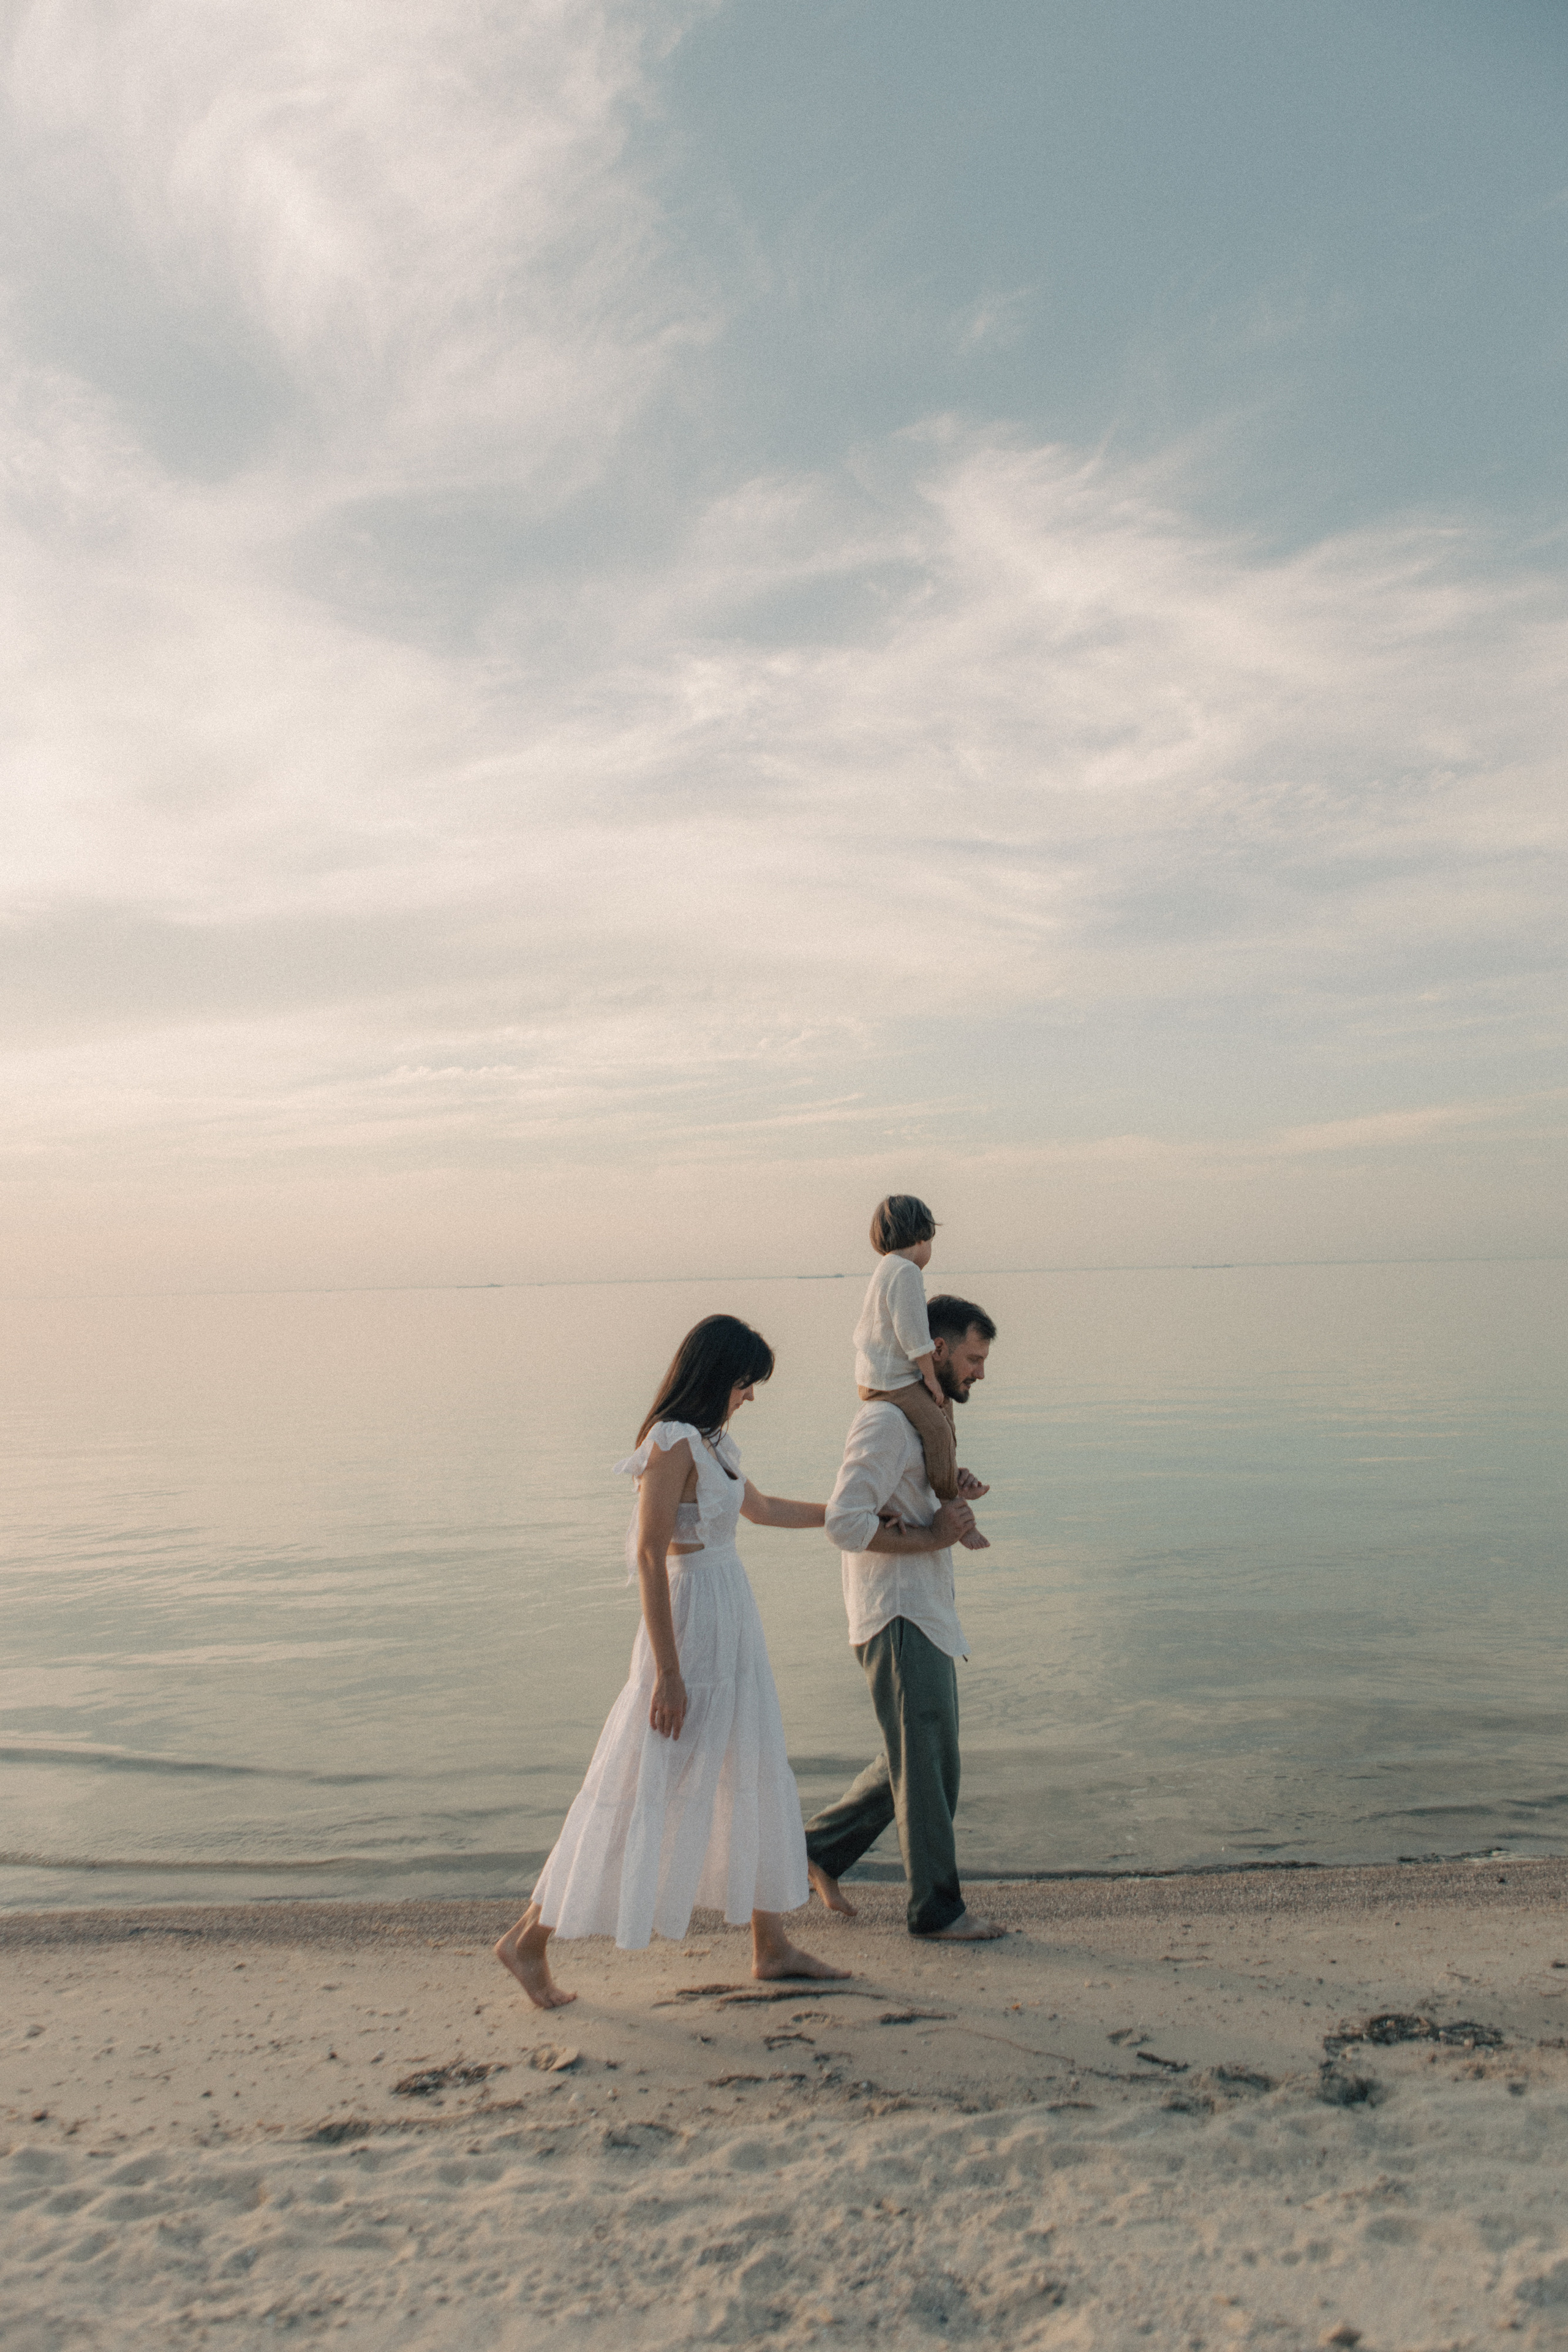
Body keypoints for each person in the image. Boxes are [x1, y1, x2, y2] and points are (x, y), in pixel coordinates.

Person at [496, 1314, 849, 2008]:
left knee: (750, 1764)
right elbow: (649, 1554)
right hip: (687, 1629)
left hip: (732, 1622)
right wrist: (669, 1673)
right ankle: (526, 1942)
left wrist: (852, 1517)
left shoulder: (715, 1444)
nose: (750, 1396)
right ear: (721, 1374)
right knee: (641, 1779)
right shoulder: (670, 1443)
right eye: (747, 1383)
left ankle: (771, 1946)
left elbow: (766, 1509)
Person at [804, 1295, 1004, 1942]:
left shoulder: (921, 1423)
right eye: (973, 1358)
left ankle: (815, 1852)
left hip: (923, 1608)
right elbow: (843, 1521)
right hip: (895, 1612)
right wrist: (932, 1536)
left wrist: (944, 1491)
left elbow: (902, 1496)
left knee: (923, 1761)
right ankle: (936, 1912)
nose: (980, 1373)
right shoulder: (885, 1422)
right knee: (924, 1765)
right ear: (937, 1350)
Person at [853, 1194, 989, 1551]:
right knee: (938, 1429)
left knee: (944, 1413)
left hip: (879, 1376)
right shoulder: (906, 1271)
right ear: (921, 1237)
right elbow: (914, 1334)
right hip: (892, 1381)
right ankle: (953, 1508)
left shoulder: (885, 1270)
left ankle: (950, 1479)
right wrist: (929, 1378)